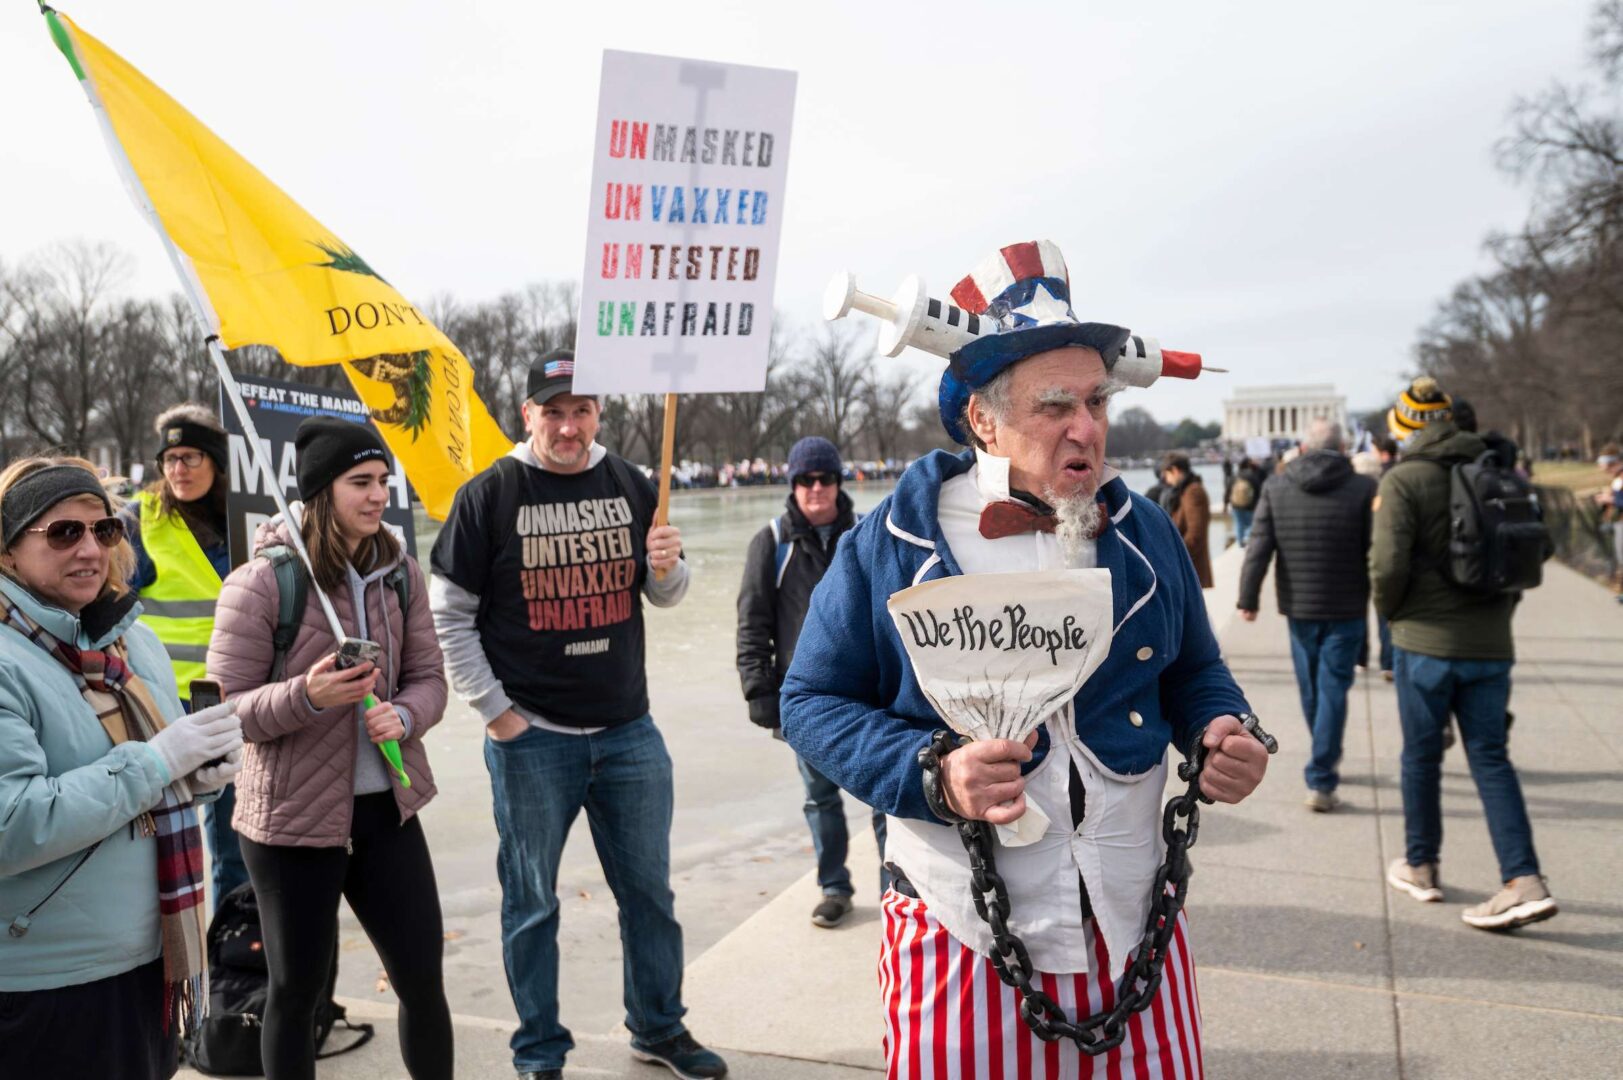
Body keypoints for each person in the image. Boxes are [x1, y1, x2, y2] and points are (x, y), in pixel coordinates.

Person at [782, 240, 1269, 1076]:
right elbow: (810, 702)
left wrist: (1223, 726)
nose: (1086, 429)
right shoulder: (888, 545)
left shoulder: (1144, 531)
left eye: (1095, 402)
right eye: (1054, 407)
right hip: (958, 929)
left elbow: (1193, 668)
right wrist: (931, 774)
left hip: (1132, 920)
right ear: (983, 420)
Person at [430, 348, 726, 1080]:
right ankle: (538, 1051)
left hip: (629, 731)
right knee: (531, 903)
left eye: (581, 410)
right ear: (527, 413)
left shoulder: (630, 482)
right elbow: (449, 617)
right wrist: (496, 714)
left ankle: (658, 1028)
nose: (568, 426)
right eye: (553, 411)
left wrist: (667, 565)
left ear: (598, 414)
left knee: (650, 896)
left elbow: (665, 596)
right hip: (532, 738)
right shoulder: (489, 494)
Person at [208, 418, 453, 1079]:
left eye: (382, 482)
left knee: (422, 980)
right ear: (320, 492)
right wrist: (308, 696)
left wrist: (404, 715)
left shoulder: (399, 572)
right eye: (359, 483)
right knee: (295, 991)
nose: (377, 497)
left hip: (387, 813)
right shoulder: (261, 584)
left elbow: (432, 678)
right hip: (290, 822)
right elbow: (225, 713)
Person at [0, 456, 243, 1080]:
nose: (90, 549)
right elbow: (12, 823)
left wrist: (200, 780)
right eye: (62, 532)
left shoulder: (133, 641)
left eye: (104, 530)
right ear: (6, 553)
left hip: (152, 956)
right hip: (50, 979)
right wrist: (160, 761)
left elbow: (150, 794)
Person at [1372, 377, 1557, 930]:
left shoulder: (1404, 479)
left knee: (1421, 758)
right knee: (1492, 759)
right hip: (1490, 643)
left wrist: (1395, 616)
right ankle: (1523, 880)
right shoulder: (1499, 471)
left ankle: (1422, 864)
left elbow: (1386, 566)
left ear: (1404, 427)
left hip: (1424, 644)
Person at [736, 436, 884, 929]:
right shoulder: (772, 542)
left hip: (872, 693)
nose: (815, 488)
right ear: (793, 484)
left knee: (885, 794)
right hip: (808, 697)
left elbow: (896, 612)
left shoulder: (868, 534)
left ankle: (897, 888)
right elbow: (752, 623)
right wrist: (759, 691)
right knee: (820, 797)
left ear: (839, 482)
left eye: (824, 478)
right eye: (805, 479)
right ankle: (835, 886)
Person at [119, 403, 246, 909]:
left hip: (237, 698)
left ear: (216, 461)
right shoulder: (139, 521)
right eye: (169, 459)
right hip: (165, 705)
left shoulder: (246, 518)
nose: (178, 470)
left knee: (235, 842)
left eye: (190, 456)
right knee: (165, 838)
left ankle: (235, 958)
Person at [1237, 419, 1376, 811]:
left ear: (1303, 446)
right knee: (1333, 688)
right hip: (1347, 604)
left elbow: (1259, 546)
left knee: (1313, 688)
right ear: (1343, 447)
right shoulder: (1364, 488)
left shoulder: (1277, 487)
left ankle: (1323, 760)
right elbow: (1376, 552)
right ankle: (1323, 767)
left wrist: (1248, 598)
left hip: (1299, 604)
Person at [1161, 452, 1214, 587]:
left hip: (1190, 569)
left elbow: (1195, 535)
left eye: (1167, 475)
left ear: (1175, 470)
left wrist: (1173, 558)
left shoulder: (1193, 492)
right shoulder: (1185, 490)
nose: (1167, 481)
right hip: (1187, 568)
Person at [1228, 456, 1266, 546]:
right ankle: (1248, 539)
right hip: (1250, 505)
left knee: (1239, 523)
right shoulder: (1252, 475)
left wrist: (1226, 504)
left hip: (1236, 504)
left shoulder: (1235, 476)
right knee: (1251, 523)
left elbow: (1228, 490)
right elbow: (1258, 489)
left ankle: (1240, 542)